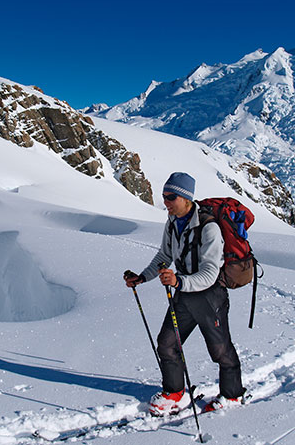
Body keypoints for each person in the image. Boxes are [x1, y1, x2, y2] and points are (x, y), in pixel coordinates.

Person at [124, 172, 246, 416]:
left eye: (171, 197)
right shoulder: (172, 222)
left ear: (187, 198)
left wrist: (179, 281)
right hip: (183, 294)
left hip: (210, 296)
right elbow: (163, 256)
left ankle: (233, 395)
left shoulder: (209, 227)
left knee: (220, 349)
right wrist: (143, 277)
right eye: (164, 196)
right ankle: (174, 392)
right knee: (167, 343)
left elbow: (211, 272)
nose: (165, 202)